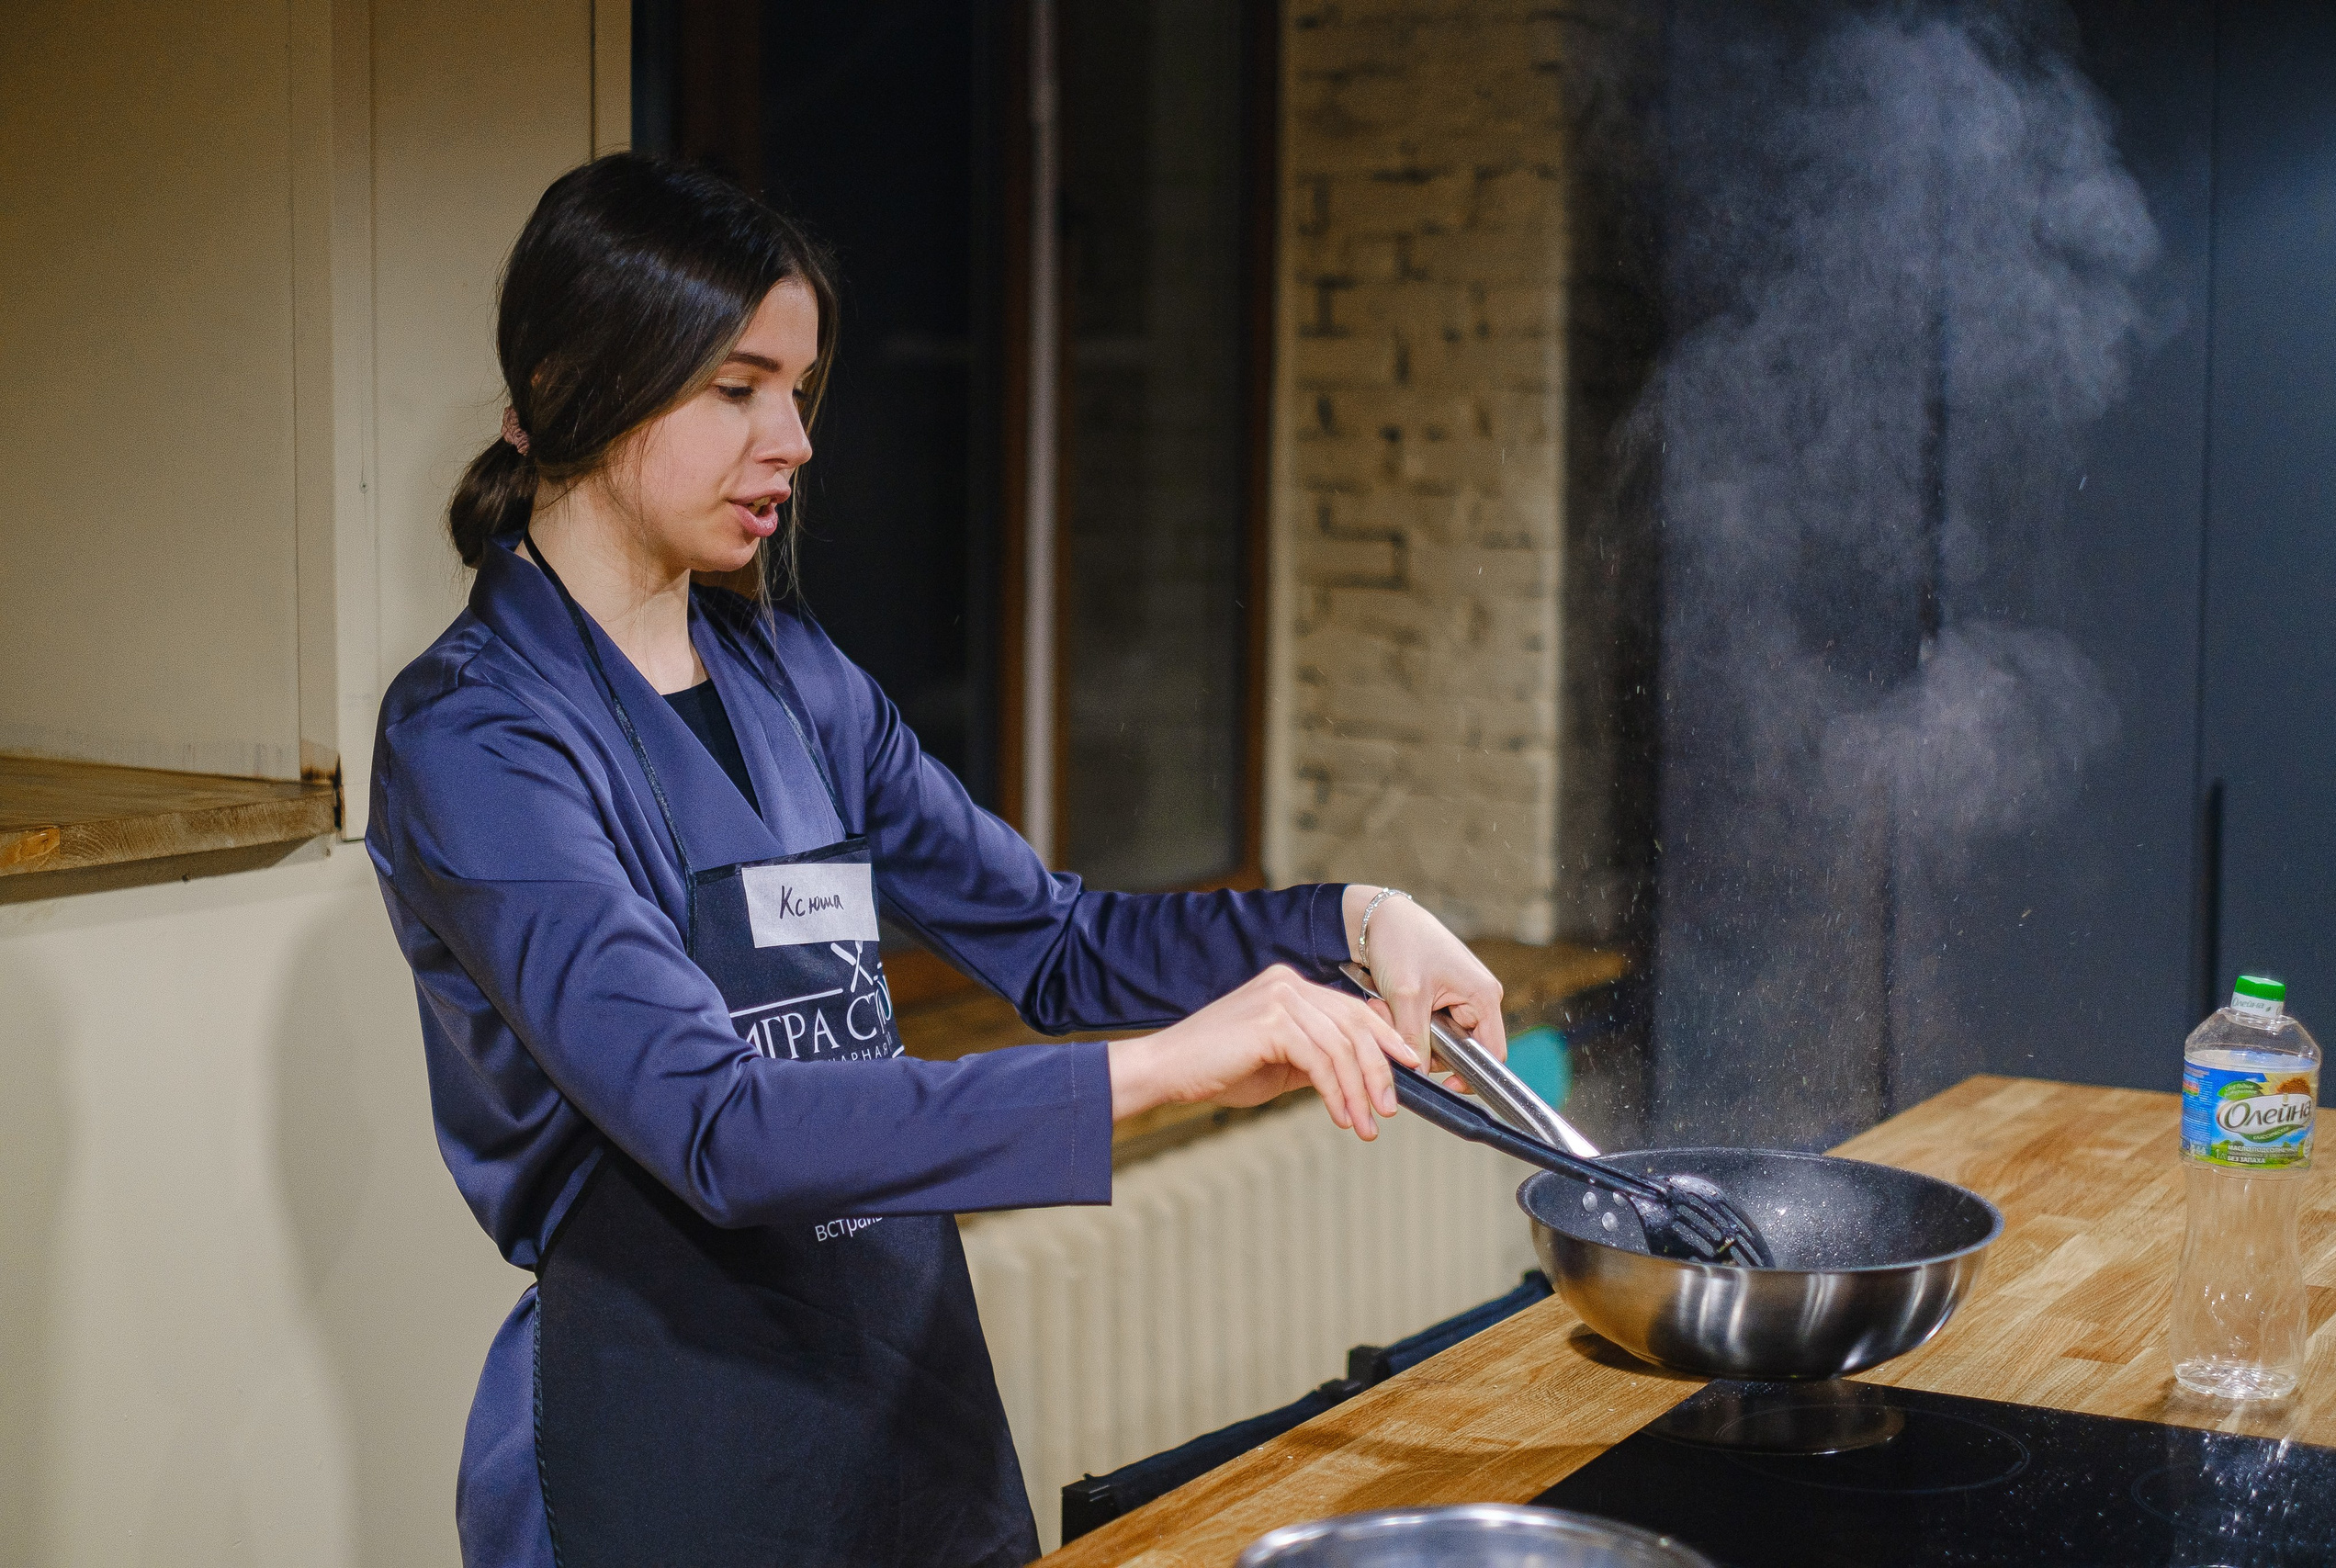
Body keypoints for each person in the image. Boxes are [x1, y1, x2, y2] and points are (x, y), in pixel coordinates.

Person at [367, 152, 1507, 1568]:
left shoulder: (791, 673)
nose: (790, 439)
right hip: (665, 1431)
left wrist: (1356, 918)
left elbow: (1059, 943)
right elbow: (716, 1126)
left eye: (798, 389)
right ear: (567, 388)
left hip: (900, 1399)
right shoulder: (475, 735)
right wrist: (1164, 1069)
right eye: (736, 388)